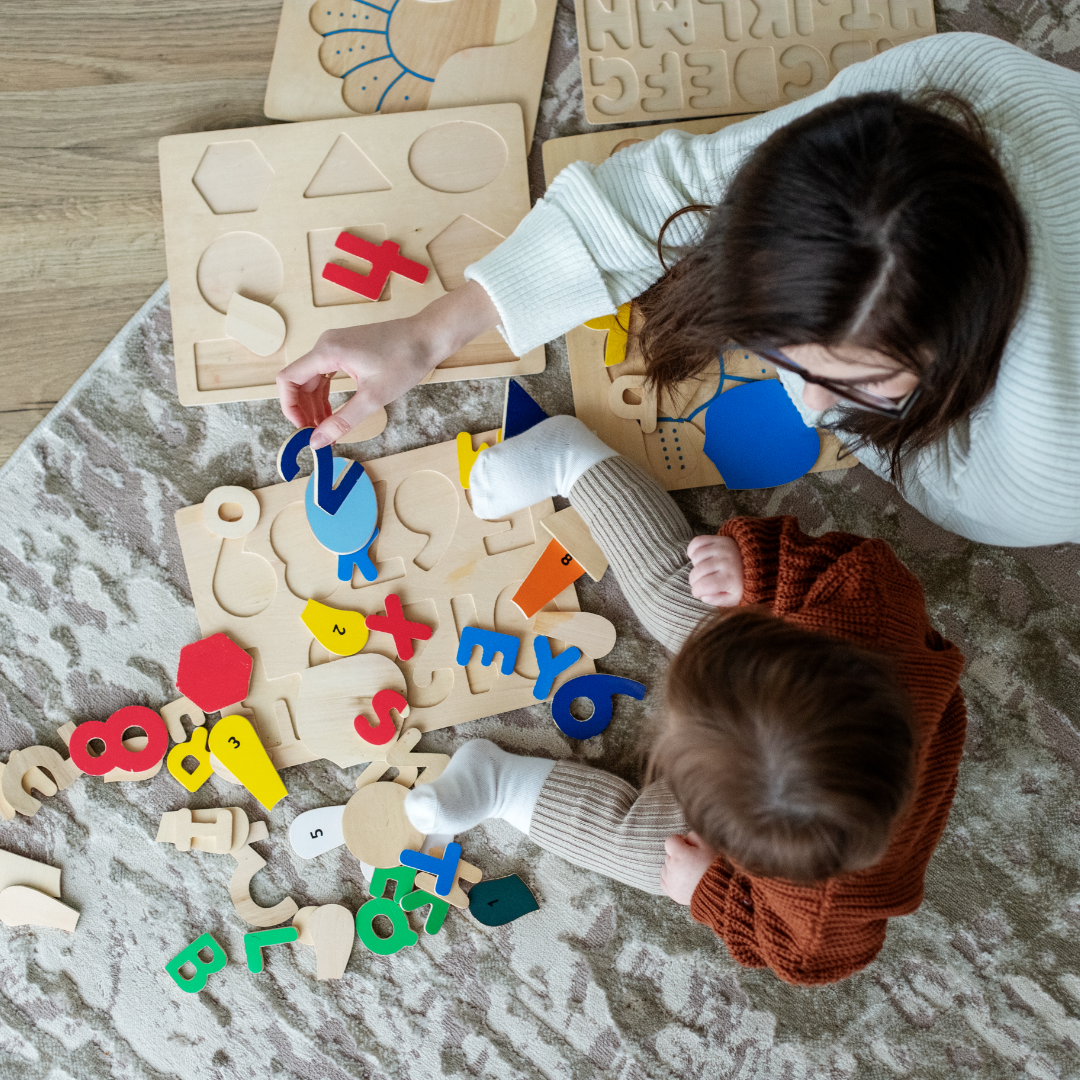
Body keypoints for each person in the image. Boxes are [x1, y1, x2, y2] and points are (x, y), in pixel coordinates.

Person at [278, 33, 1080, 547]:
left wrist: (866, 424)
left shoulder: (1046, 461)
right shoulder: (939, 80)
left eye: (860, 378)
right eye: (774, 347)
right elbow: (670, 189)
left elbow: (961, 500)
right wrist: (427, 333)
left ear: (962, 346)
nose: (802, 399)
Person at [400, 415, 967, 986]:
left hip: (760, 837)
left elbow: (804, 960)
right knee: (676, 590)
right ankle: (572, 460)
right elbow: (852, 562)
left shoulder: (824, 914)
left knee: (646, 850)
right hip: (800, 698)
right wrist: (755, 571)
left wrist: (710, 890)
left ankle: (499, 784)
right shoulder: (866, 613)